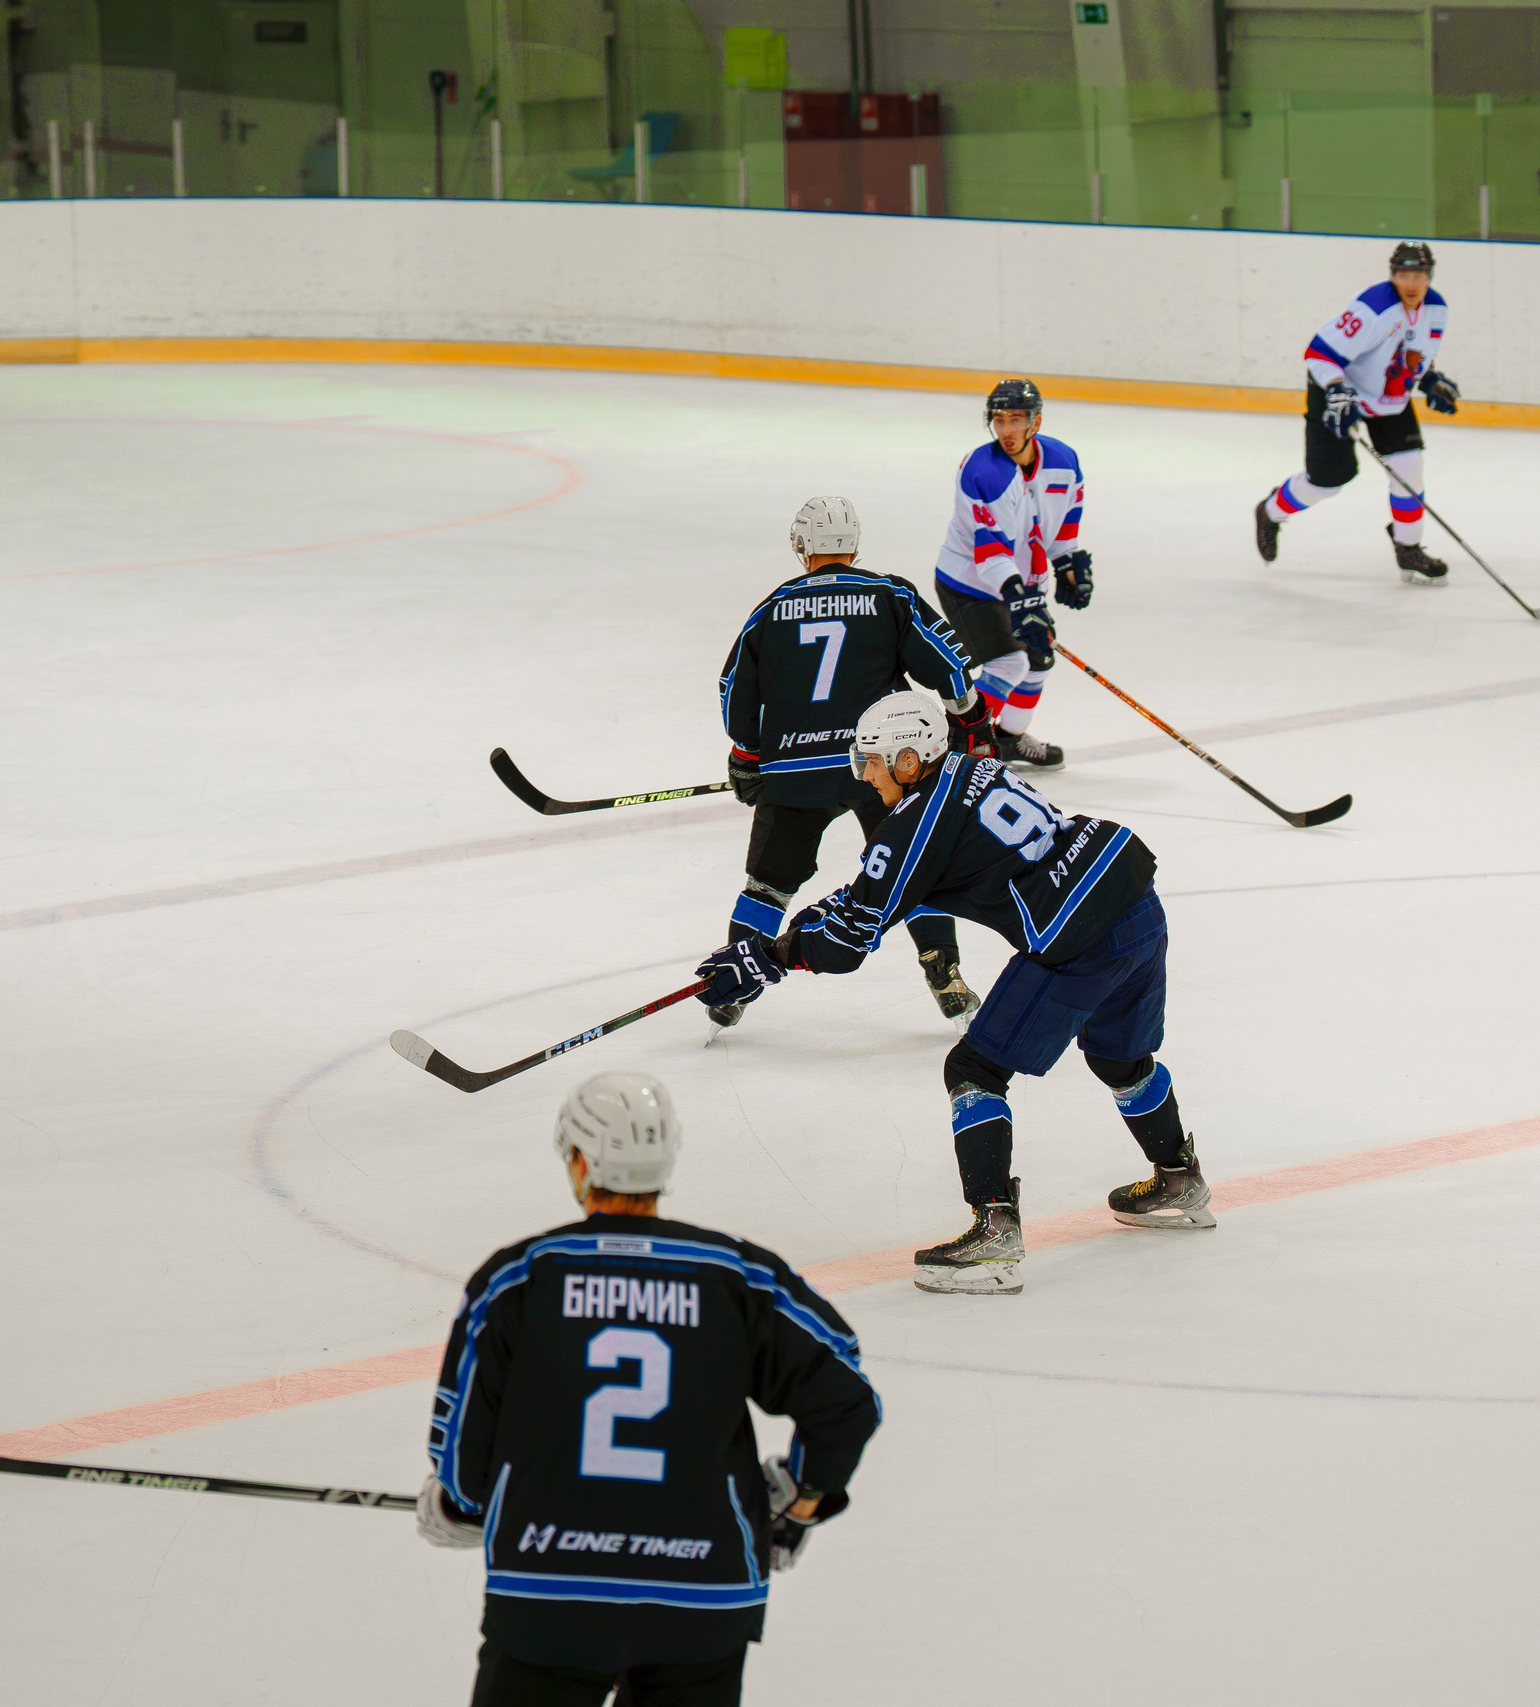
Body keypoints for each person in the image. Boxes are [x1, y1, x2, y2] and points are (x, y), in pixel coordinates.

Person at [692, 693, 1211, 1297]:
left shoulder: (914, 824)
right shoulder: (971, 766)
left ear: (910, 760)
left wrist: (768, 958)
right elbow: (876, 894)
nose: (866, 776)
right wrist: (788, 942)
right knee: (1120, 1058)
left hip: (1078, 938)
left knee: (974, 1068)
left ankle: (994, 1230)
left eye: (874, 762)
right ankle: (1180, 1178)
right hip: (1133, 902)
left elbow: (852, 935)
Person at [419, 1071, 882, 1707]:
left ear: (579, 1160)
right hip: (704, 1596)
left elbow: (466, 1477)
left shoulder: (518, 1280)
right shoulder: (736, 1275)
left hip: (549, 1596)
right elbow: (846, 1400)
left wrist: (459, 1507)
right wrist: (799, 1500)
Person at [716, 496, 996, 1027]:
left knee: (767, 886)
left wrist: (747, 755)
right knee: (915, 869)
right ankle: (945, 973)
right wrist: (969, 717)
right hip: (882, 765)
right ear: (854, 546)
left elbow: (735, 691)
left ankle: (735, 984)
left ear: (801, 548)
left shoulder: (772, 607)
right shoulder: (888, 594)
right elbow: (948, 664)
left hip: (794, 771)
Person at [1255, 241, 1462, 585]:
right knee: (1328, 481)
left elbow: (1413, 353)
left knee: (1409, 468)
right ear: (1392, 276)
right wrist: (1336, 390)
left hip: (1388, 395)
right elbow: (1319, 353)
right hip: (1337, 390)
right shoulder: (1373, 308)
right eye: (1403, 275)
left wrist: (1428, 380)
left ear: (1430, 276)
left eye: (1418, 275)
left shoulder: (1436, 308)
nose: (1411, 283)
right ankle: (1270, 510)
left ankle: (1408, 548)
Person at [929, 377, 1088, 771]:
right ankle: (960, 747)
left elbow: (1061, 532)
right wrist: (1022, 599)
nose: (1006, 431)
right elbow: (991, 552)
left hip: (1021, 584)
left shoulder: (1064, 463)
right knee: (1008, 665)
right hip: (969, 584)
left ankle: (1009, 738)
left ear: (1035, 422)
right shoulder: (983, 472)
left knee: (1038, 659)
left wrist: (1068, 565)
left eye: (1015, 420)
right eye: (998, 420)